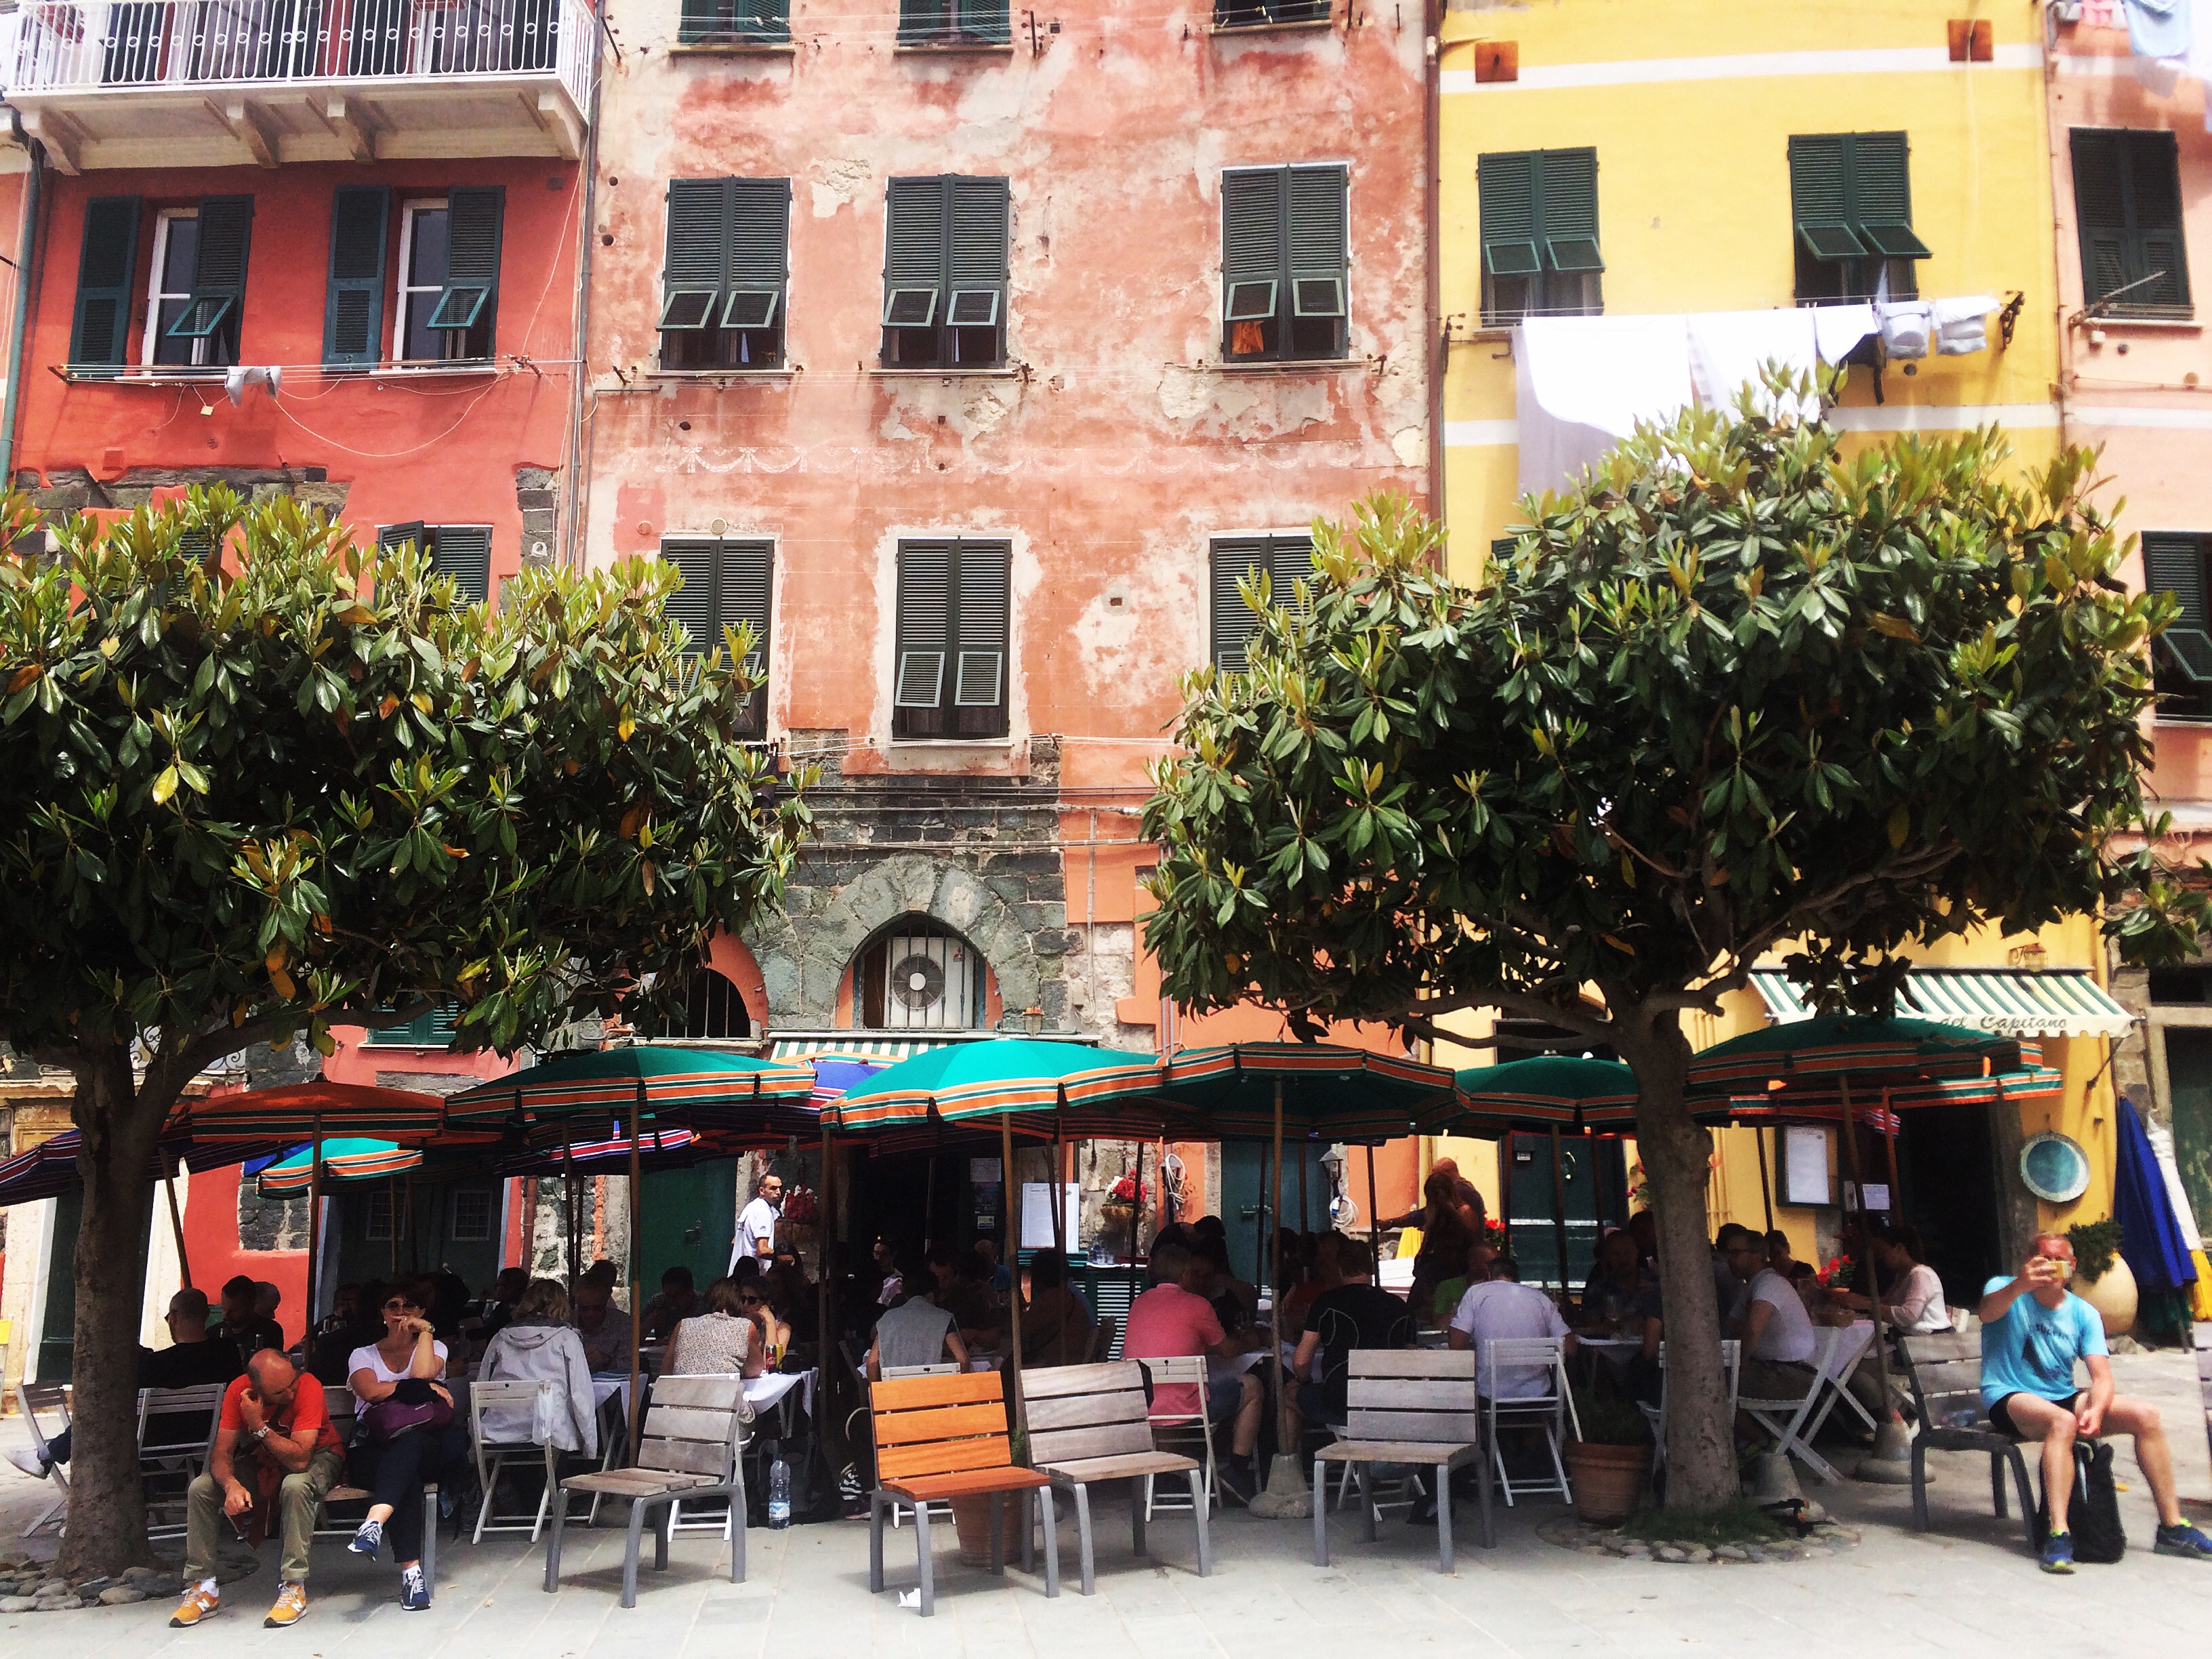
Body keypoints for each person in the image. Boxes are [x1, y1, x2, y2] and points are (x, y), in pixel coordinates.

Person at [1978, 1233, 2212, 1572]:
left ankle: (2172, 1527)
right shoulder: (2003, 1289)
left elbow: (2101, 1376)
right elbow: (1987, 1314)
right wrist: (2020, 1285)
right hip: (2008, 1394)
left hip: (2061, 1394)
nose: (2050, 1265)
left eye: (2058, 1259)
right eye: (2042, 1257)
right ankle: (2057, 1533)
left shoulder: (2083, 1312)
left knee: (2145, 1416)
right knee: (2062, 1422)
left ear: (2071, 1268)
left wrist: (2097, 1409)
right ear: (2028, 1261)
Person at [169, 1349, 346, 1629]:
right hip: (265, 1459)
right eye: (280, 1391)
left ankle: (293, 1585)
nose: (290, 1393)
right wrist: (231, 1485)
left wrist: (258, 1426)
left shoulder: (307, 1385)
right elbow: (222, 1453)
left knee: (296, 1485)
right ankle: (203, 1587)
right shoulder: (238, 1391)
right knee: (201, 1488)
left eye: (292, 1384)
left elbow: (300, 1461)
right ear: (257, 1392)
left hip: (318, 1456)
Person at [10, 1288, 243, 1476]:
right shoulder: (228, 1352)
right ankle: (49, 1453)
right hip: (213, 1437)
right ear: (205, 1316)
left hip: (156, 1446)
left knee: (105, 1410)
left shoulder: (156, 1365)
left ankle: (49, 1455)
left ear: (173, 1318)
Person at [344, 1281, 466, 1611]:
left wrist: (424, 1332)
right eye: (394, 1306)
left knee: (410, 1446)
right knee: (406, 1477)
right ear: (382, 1312)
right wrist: (416, 1388)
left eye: (410, 1307)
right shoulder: (363, 1354)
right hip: (372, 1446)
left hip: (424, 1442)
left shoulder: (435, 1346)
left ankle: (373, 1525)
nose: (401, 1313)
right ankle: (412, 1579)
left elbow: (424, 1372)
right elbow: (370, 1392)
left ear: (422, 1313)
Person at [1122, 1235, 1265, 1504]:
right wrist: (1251, 1340)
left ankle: (1164, 1470)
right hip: (1186, 1407)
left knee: (1179, 1391)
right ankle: (1236, 1468)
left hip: (1144, 1406)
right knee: (1253, 1386)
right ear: (1185, 1273)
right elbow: (1227, 1350)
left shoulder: (1138, 1304)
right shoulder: (1198, 1305)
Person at [1289, 1237, 1410, 1433]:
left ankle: (1290, 1461)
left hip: (1340, 1400)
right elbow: (1411, 1360)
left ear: (1340, 1269)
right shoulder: (1399, 1307)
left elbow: (1301, 1362)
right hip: (1389, 1400)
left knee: (1288, 1395)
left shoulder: (1326, 1303)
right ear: (1371, 1268)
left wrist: (1305, 1381)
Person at [477, 1278, 599, 1456]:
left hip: (498, 1431)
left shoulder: (500, 1339)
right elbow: (581, 1396)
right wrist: (590, 1447)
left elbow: (481, 1386)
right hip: (550, 1433)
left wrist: (475, 1445)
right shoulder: (566, 1339)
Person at [1448, 1254, 1576, 1398]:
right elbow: (1571, 1348)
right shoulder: (1541, 1298)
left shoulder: (1475, 1293)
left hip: (1489, 1394)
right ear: (1516, 1279)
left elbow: (1456, 1344)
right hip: (1539, 1394)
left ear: (1489, 1275)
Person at [868, 1273, 970, 1376]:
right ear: (931, 1295)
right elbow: (963, 1359)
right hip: (932, 1386)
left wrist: (878, 1390)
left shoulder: (887, 1319)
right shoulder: (943, 1317)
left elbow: (872, 1363)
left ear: (907, 1296)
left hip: (895, 1387)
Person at [666, 1275, 768, 1378]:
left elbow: (666, 1370)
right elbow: (755, 1369)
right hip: (724, 1393)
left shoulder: (682, 1325)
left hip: (683, 1392)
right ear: (736, 1301)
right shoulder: (746, 1327)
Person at [1020, 1247, 1097, 1366]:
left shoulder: (1051, 1300)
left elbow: (1020, 1332)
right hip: (1073, 1363)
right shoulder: (1071, 1295)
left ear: (1038, 1277)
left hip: (1053, 1368)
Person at [1578, 1228, 1645, 1334]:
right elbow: (1590, 1326)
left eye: (1627, 1253)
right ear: (1608, 1256)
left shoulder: (1654, 1285)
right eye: (1616, 1254)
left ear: (1637, 1252)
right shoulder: (1598, 1289)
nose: (1623, 1259)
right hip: (1607, 1348)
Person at [216, 1273, 285, 1365]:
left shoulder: (271, 1332)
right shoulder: (213, 1334)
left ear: (251, 1306)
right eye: (224, 1309)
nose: (227, 1315)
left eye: (234, 1310)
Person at [731, 1170, 784, 1273]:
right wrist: (780, 1256)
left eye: (779, 1188)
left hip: (738, 1273)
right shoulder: (764, 1212)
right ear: (762, 1191)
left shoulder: (751, 1207)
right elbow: (762, 1250)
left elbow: (734, 1241)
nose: (778, 1192)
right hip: (754, 1277)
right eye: (773, 1188)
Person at [573, 1279, 628, 1373]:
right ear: (577, 1305)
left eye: (597, 1308)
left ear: (606, 1303)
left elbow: (632, 1365)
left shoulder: (622, 1324)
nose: (591, 1314)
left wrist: (607, 1360)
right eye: (585, 1309)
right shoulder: (567, 1323)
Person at [737, 1275, 791, 1364]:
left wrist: (770, 1322)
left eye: (752, 1300)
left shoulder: (782, 1328)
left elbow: (773, 1363)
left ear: (767, 1304)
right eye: (742, 1299)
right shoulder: (735, 1325)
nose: (745, 1305)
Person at [642, 1265, 701, 1340]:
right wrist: (650, 1322)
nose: (671, 1301)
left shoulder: (704, 1305)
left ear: (690, 1291)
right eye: (667, 1295)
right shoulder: (658, 1302)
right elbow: (634, 1338)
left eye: (675, 1296)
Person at [478, 1267, 531, 1343]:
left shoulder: (505, 1313)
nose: (495, 1288)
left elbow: (483, 1333)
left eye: (499, 1285)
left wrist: (480, 1305)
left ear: (510, 1288)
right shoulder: (506, 1307)